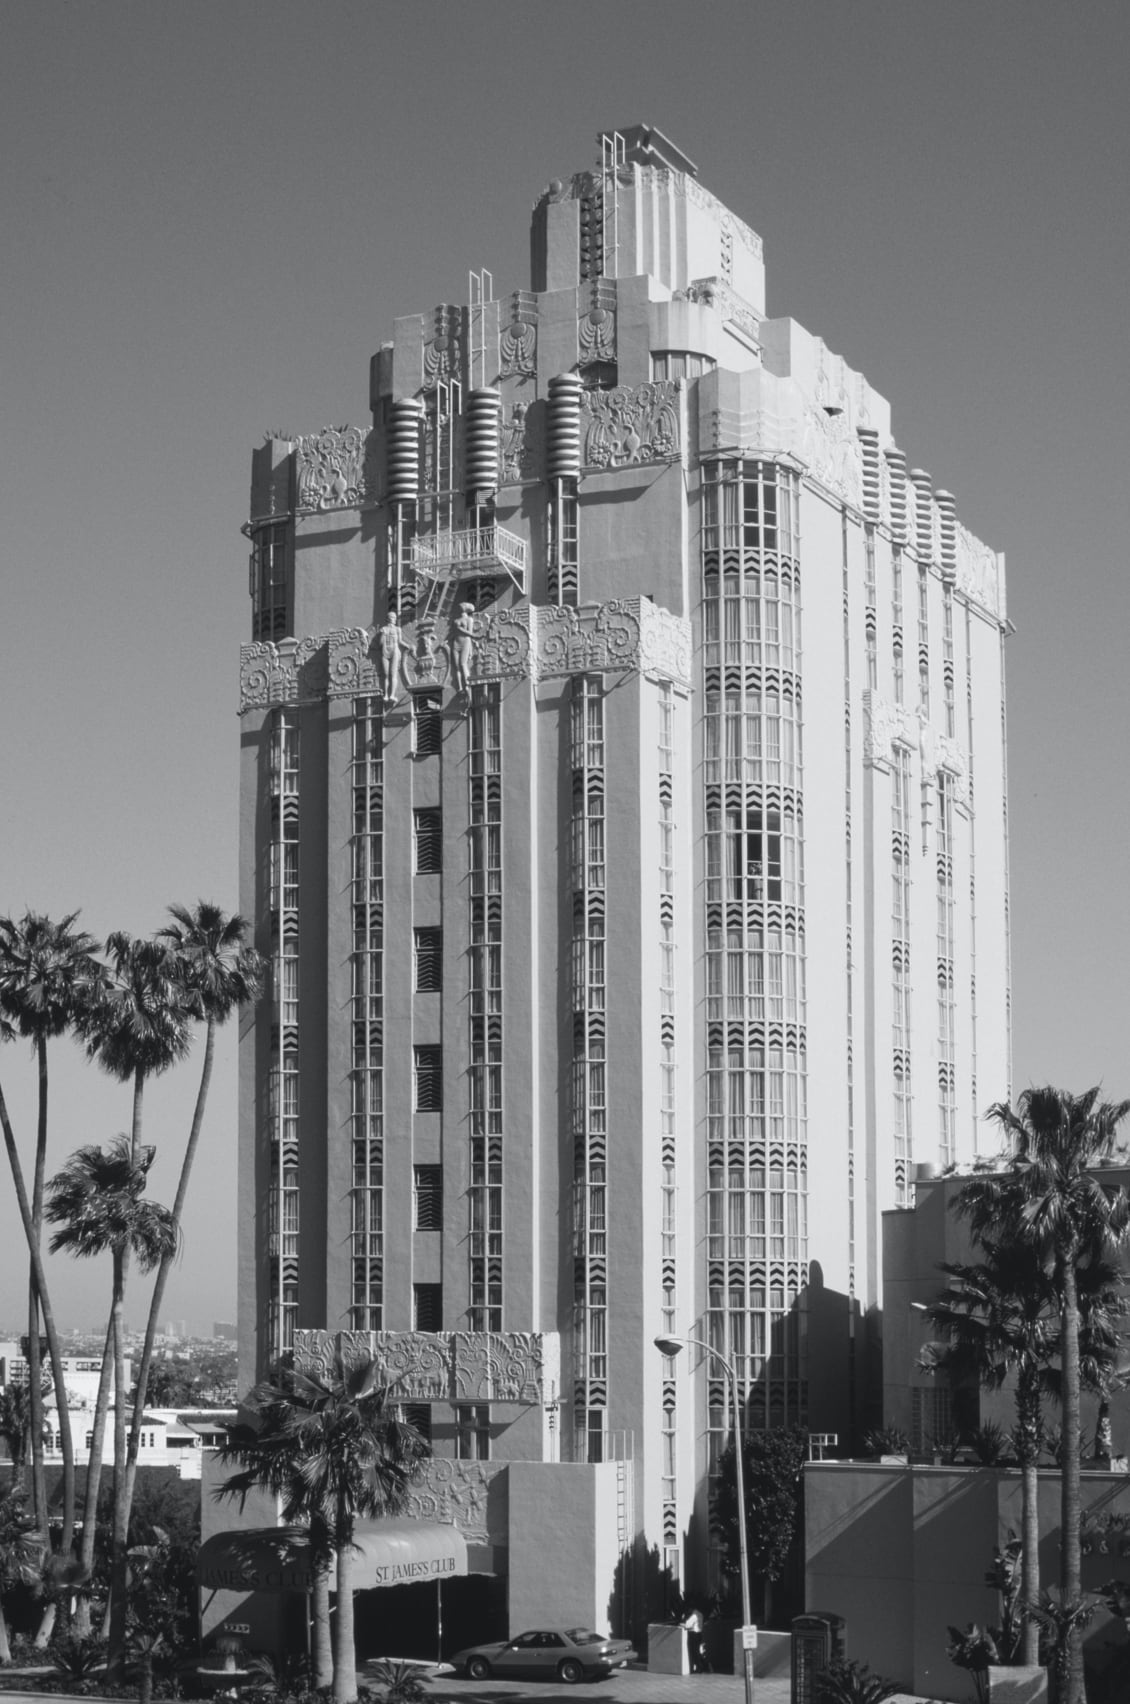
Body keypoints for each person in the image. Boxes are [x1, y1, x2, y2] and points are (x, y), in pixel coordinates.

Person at [450, 601, 477, 695]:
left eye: (463, 605)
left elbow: (471, 633)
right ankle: (460, 687)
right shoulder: (455, 621)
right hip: (455, 642)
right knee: (456, 666)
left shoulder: (469, 619)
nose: (460, 606)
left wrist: (460, 629)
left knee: (462, 664)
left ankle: (467, 684)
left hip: (465, 641)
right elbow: (453, 633)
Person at [377, 609, 402, 701]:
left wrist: (408, 646)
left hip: (395, 650)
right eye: (392, 617)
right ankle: (386, 695)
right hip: (385, 651)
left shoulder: (398, 629)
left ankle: (392, 694)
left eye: (395, 617)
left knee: (393, 673)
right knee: (386, 674)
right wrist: (383, 635)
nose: (394, 619)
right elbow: (380, 643)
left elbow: (400, 642)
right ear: (388, 619)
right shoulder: (383, 629)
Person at [683, 1605, 707, 1674]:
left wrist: (684, 1624)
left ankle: (699, 1667)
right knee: (697, 1651)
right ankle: (700, 1667)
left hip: (693, 1634)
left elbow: (688, 1625)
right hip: (699, 1634)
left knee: (694, 1652)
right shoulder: (700, 1614)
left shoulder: (694, 1616)